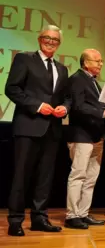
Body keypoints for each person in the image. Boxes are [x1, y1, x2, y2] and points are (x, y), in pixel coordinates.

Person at [5, 25, 71, 236]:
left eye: (55, 39)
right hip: (28, 126)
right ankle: (15, 220)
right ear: (39, 38)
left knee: (45, 177)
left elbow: (67, 97)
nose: (50, 41)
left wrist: (65, 108)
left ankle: (39, 218)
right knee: (21, 176)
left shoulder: (62, 68)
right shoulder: (24, 59)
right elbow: (12, 89)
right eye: (47, 37)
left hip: (52, 130)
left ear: (59, 44)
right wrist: (37, 105)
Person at [64, 49, 105, 229]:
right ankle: (72, 215)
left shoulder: (93, 82)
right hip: (81, 135)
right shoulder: (76, 79)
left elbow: (97, 103)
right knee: (78, 175)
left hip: (96, 135)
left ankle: (83, 213)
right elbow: (78, 107)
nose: (100, 64)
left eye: (101, 61)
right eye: (97, 61)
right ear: (85, 62)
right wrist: (102, 112)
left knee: (90, 178)